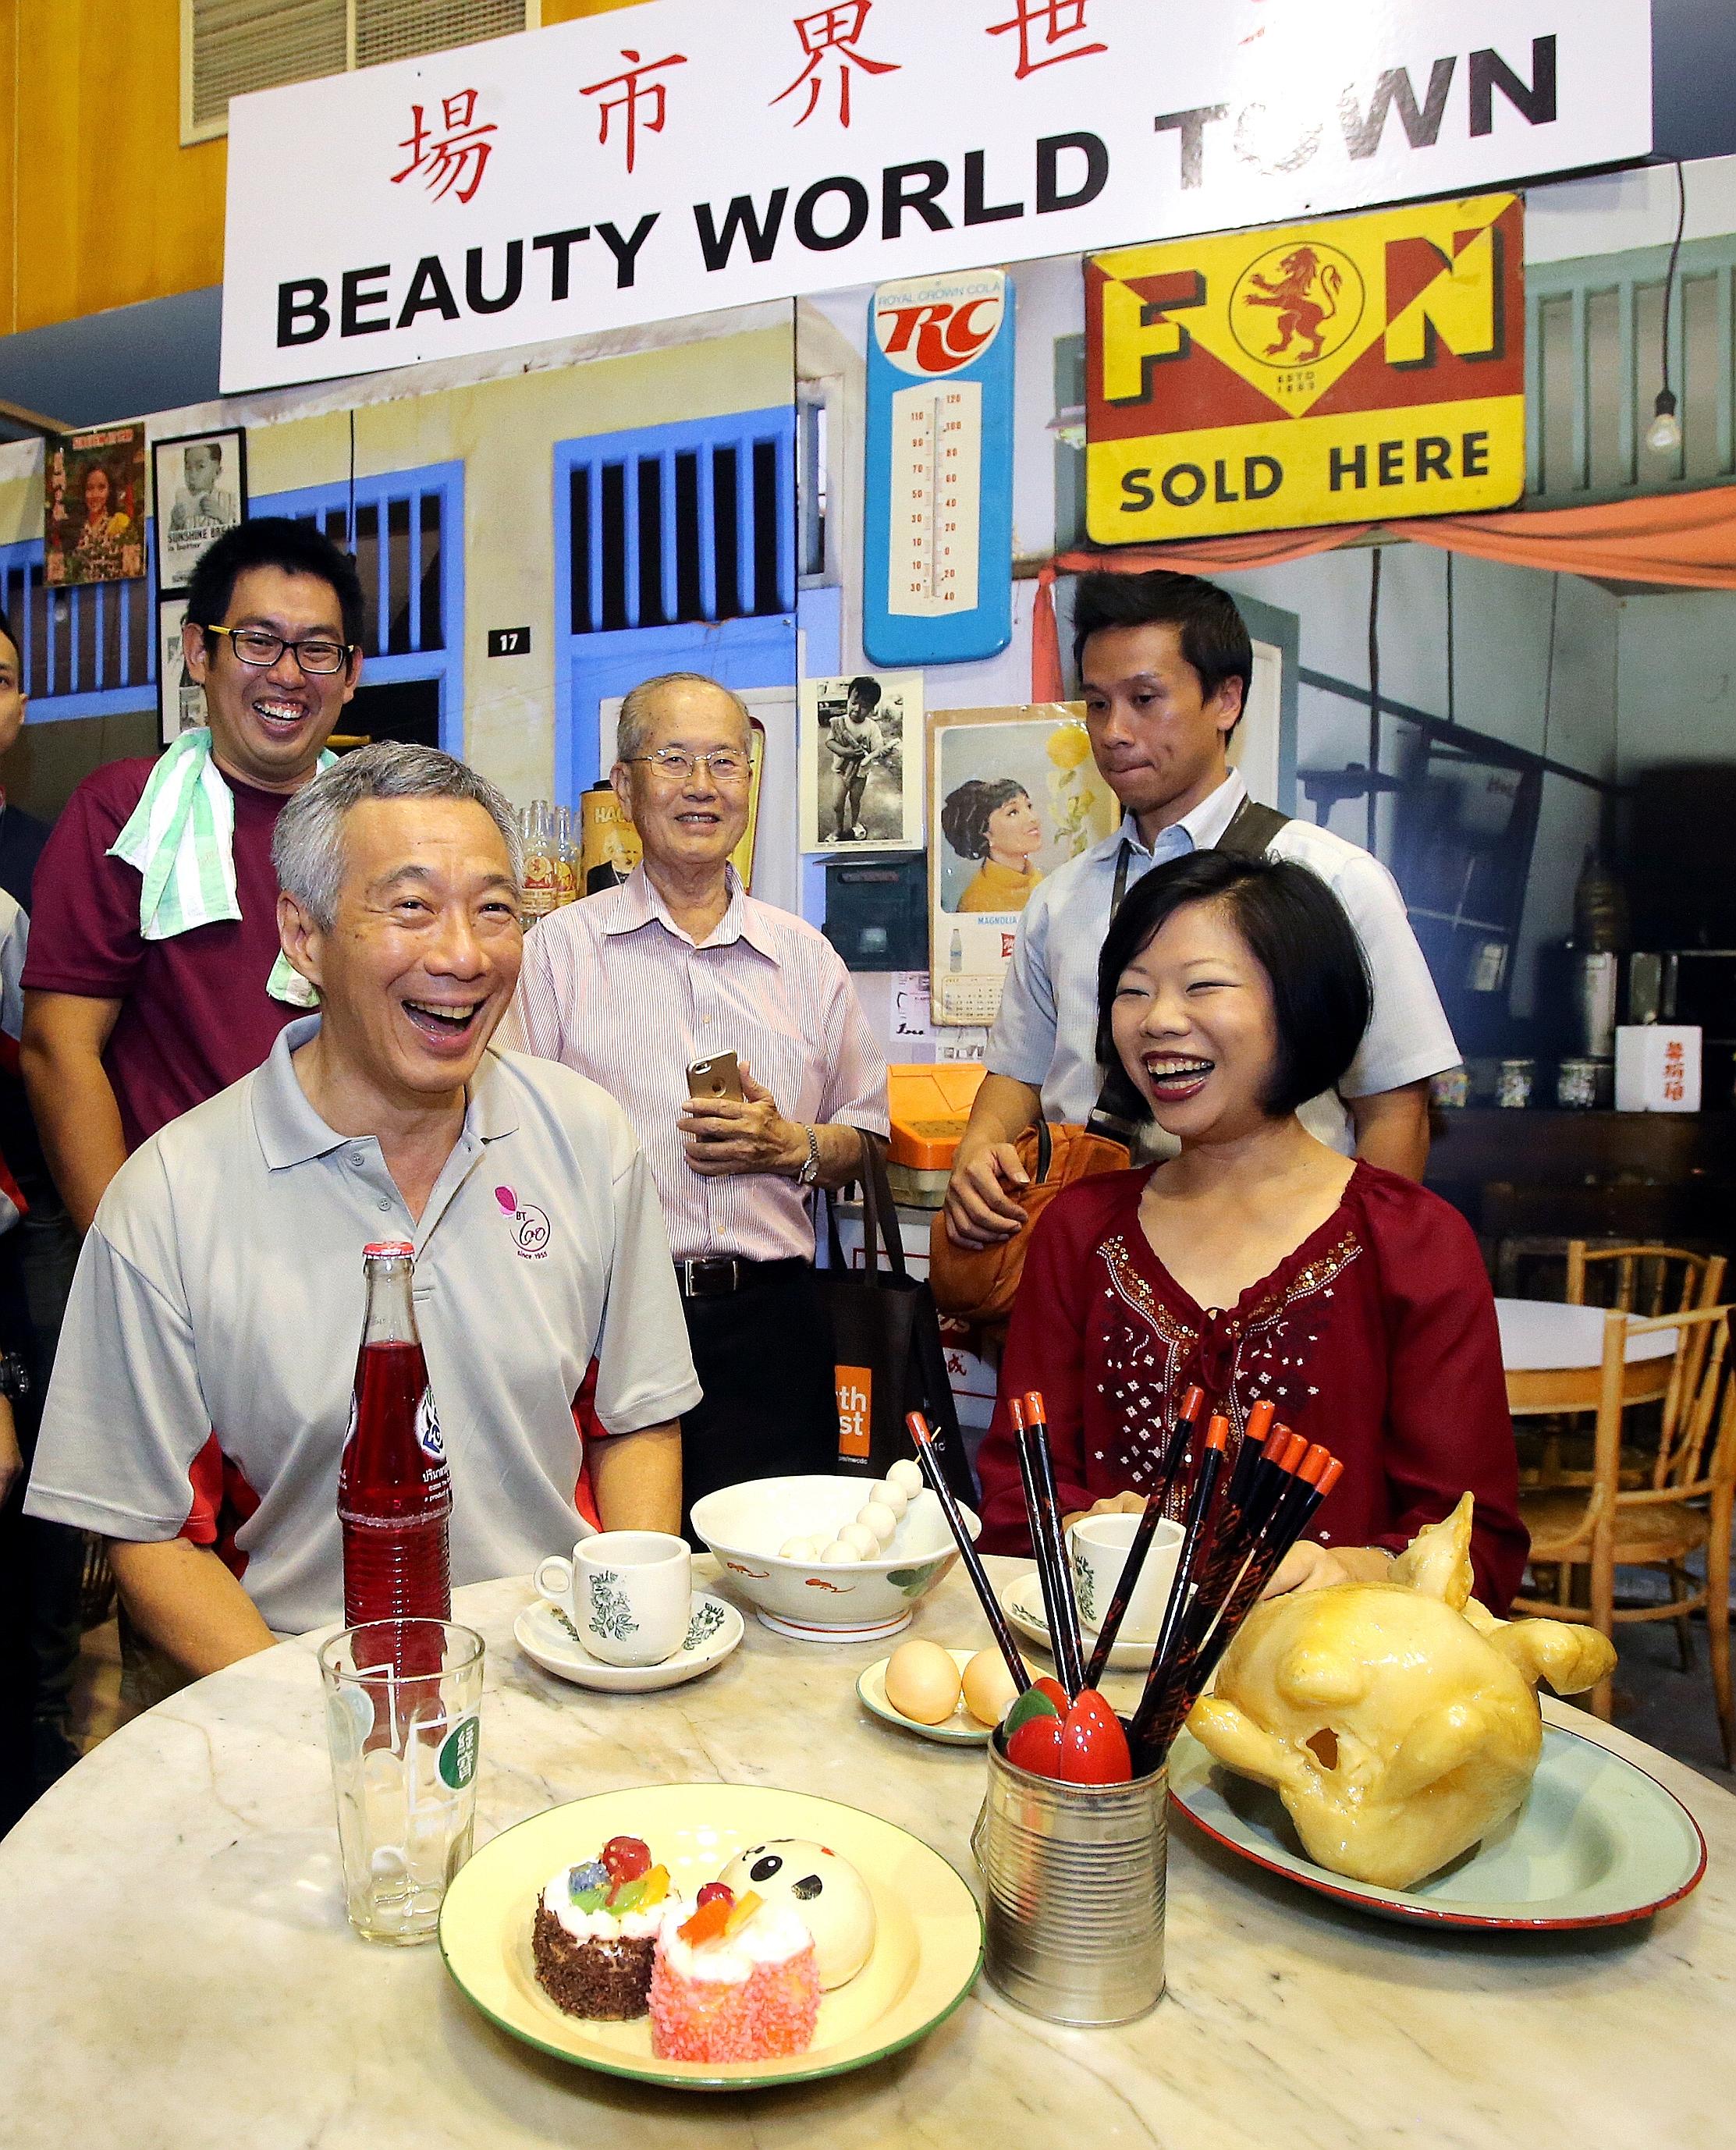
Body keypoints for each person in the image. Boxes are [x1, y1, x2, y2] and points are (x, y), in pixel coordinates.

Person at [23, 745, 697, 1677]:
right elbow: (151, 1532)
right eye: (411, 906)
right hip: (291, 1687)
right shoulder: (170, 1197)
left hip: (557, 1674)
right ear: (303, 938)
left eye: (494, 908)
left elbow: (635, 1416)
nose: (461, 954)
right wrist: (323, 1726)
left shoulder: (587, 1140)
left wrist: (624, 1652)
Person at [975, 851, 1526, 1612]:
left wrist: (1351, 1572)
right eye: (1132, 991)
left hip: (1318, 1700)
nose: (1157, 1018)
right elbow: (1015, 1493)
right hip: (1098, 1696)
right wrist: (1079, 1529)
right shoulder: (1081, 1229)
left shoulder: (1412, 1241)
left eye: (1201, 985)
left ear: (1299, 1005)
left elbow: (1476, 1547)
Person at [944, 569, 1460, 1252]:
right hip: (1093, 1256)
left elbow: (1394, 1106)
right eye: (1097, 705)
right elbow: (1019, 1071)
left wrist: (1350, 1275)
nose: (1114, 732)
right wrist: (978, 1151)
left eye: (1145, 699)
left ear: (1225, 699)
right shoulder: (1062, 896)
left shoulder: (1332, 880)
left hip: (1273, 1256)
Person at [509, 672, 889, 1524]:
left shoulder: (805, 958)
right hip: (606, 1325)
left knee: (778, 1578)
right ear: (624, 785)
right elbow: (503, 1148)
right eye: (673, 759)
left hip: (773, 1327)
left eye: (726, 761)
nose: (702, 785)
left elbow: (866, 1140)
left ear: (749, 785)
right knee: (625, 1584)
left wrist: (790, 1144)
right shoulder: (557, 955)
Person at [20, 516, 364, 1234]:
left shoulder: (380, 829)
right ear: (197, 652)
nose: (289, 674)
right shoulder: (126, 814)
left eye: (318, 650)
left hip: (359, 1221)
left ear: (352, 673)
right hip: (184, 1229)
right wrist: (125, 1255)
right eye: (257, 641)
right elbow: (59, 1049)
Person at [943, 778, 1043, 914]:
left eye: (1029, 806)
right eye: (1013, 812)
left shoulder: (1036, 878)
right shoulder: (977, 903)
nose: (1032, 818)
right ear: (985, 832)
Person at [825, 677, 889, 842]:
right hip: (840, 771)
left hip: (860, 774)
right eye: (854, 702)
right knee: (837, 804)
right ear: (848, 699)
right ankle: (838, 829)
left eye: (864, 706)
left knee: (855, 799)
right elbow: (830, 742)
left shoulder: (871, 727)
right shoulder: (840, 723)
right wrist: (845, 752)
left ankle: (855, 824)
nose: (857, 709)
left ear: (872, 709)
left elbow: (878, 749)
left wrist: (874, 754)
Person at [169, 441, 238, 534]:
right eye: (188, 468)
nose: (192, 475)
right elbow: (169, 545)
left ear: (217, 472)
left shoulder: (231, 501)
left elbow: (241, 539)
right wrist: (175, 524)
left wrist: (223, 517)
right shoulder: (180, 504)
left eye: (200, 467)